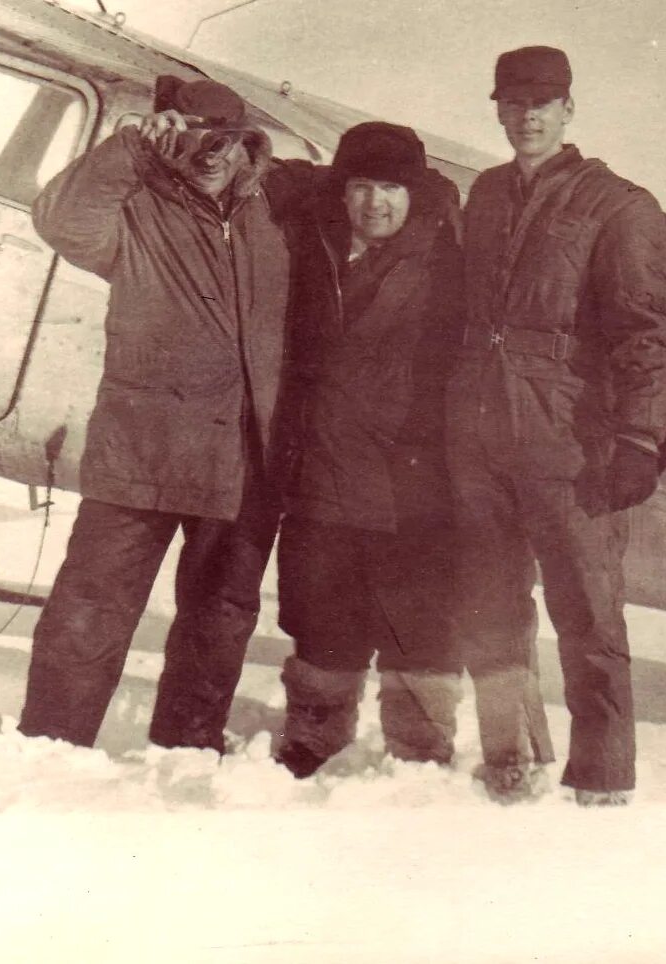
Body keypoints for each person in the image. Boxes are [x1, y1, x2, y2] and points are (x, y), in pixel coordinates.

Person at [17, 77, 296, 754]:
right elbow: (59, 220)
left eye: (222, 140)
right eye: (194, 137)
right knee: (91, 609)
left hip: (239, 456)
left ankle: (187, 751)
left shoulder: (277, 211)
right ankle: (51, 747)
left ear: (242, 142)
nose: (208, 155)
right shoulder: (136, 207)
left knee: (220, 618)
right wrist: (134, 148)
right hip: (140, 451)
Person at [447, 46, 666, 803]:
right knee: (489, 605)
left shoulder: (618, 205)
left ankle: (603, 778)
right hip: (479, 434)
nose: (525, 117)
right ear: (498, 109)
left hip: (565, 439)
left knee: (585, 612)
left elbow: (643, 333)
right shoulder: (483, 193)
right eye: (511, 104)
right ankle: (509, 758)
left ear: (568, 108)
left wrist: (639, 437)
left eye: (540, 103)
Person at [273, 122, 465, 778]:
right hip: (323, 476)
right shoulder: (319, 241)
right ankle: (312, 743)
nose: (373, 202)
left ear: (414, 194)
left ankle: (418, 759)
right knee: (320, 620)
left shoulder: (448, 262)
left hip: (409, 487)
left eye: (389, 187)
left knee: (419, 631)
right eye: (359, 186)